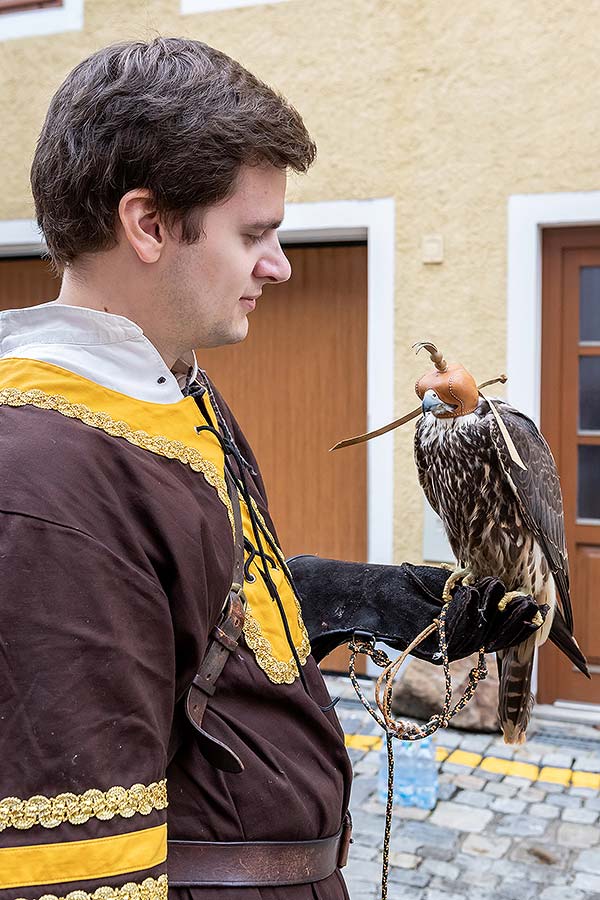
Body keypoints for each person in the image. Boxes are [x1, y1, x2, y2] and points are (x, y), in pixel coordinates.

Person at [0, 37, 352, 900]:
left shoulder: (172, 388)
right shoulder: (43, 474)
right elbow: (79, 861)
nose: (279, 265)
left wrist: (354, 595)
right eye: (254, 234)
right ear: (149, 224)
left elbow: (195, 610)